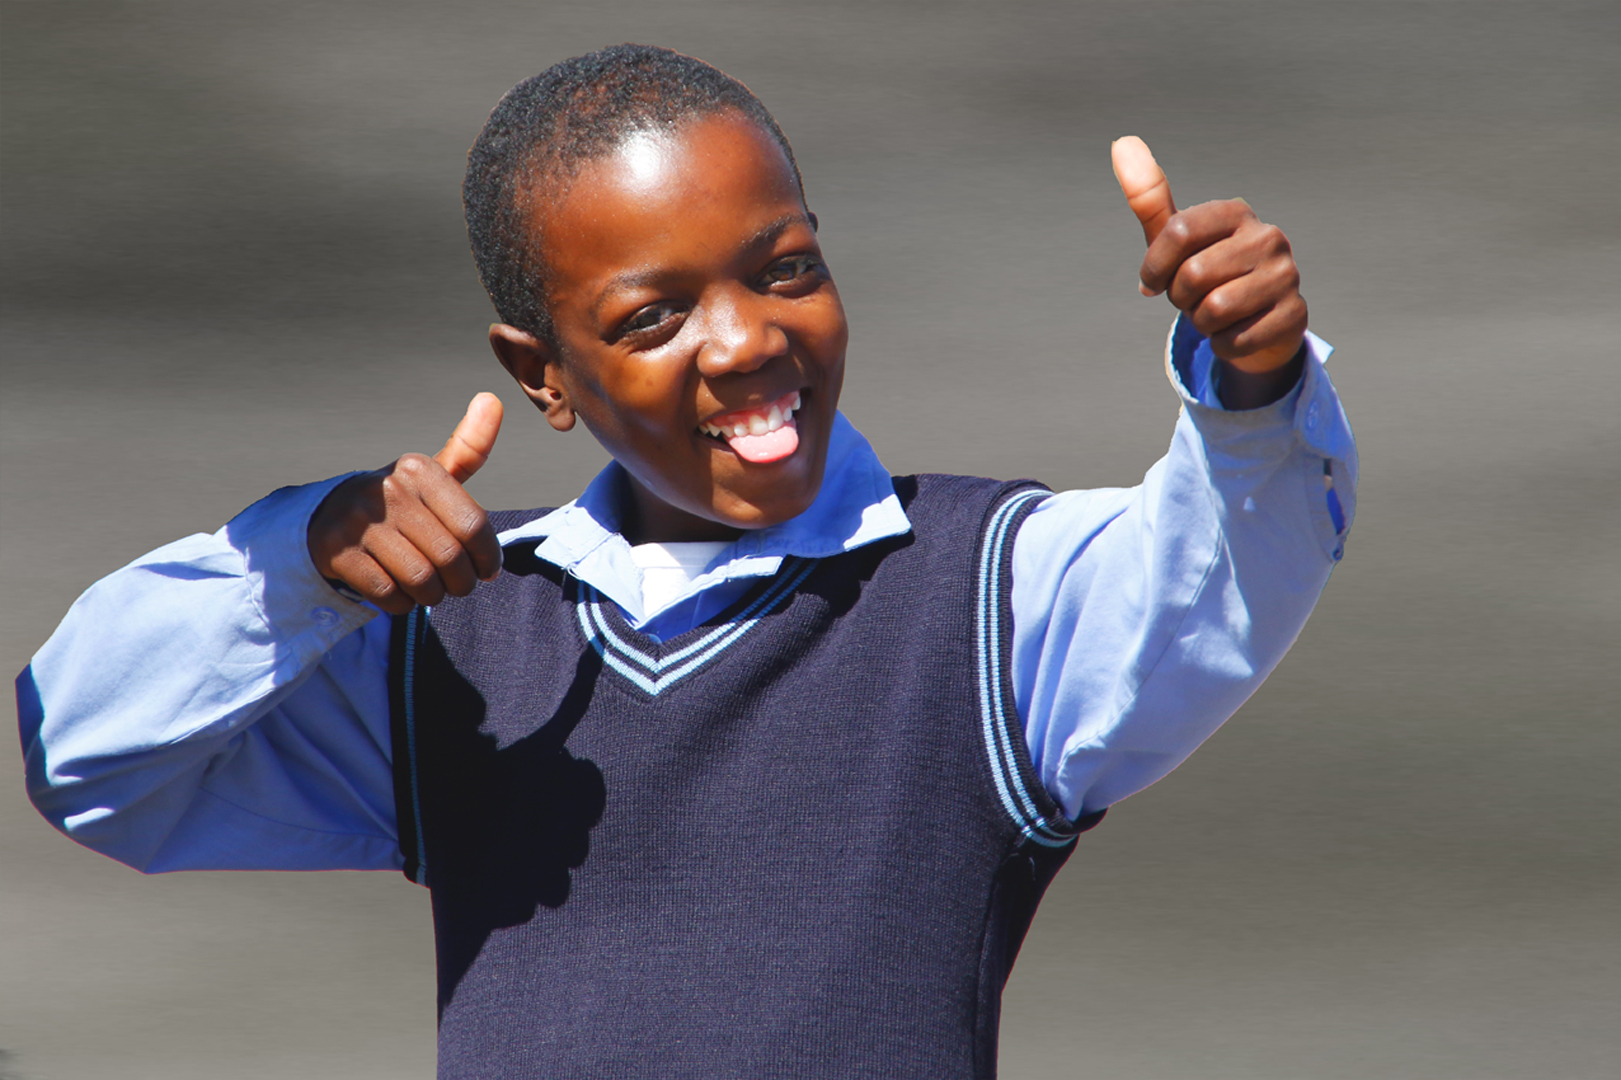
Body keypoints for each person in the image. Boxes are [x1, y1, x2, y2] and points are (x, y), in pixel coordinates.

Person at [17, 44, 1355, 1079]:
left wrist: (1249, 380)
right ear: (542, 376)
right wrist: (293, 561)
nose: (742, 343)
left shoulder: (985, 599)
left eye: (784, 271)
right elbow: (91, 764)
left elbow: (1228, 566)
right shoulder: (455, 641)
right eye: (653, 315)